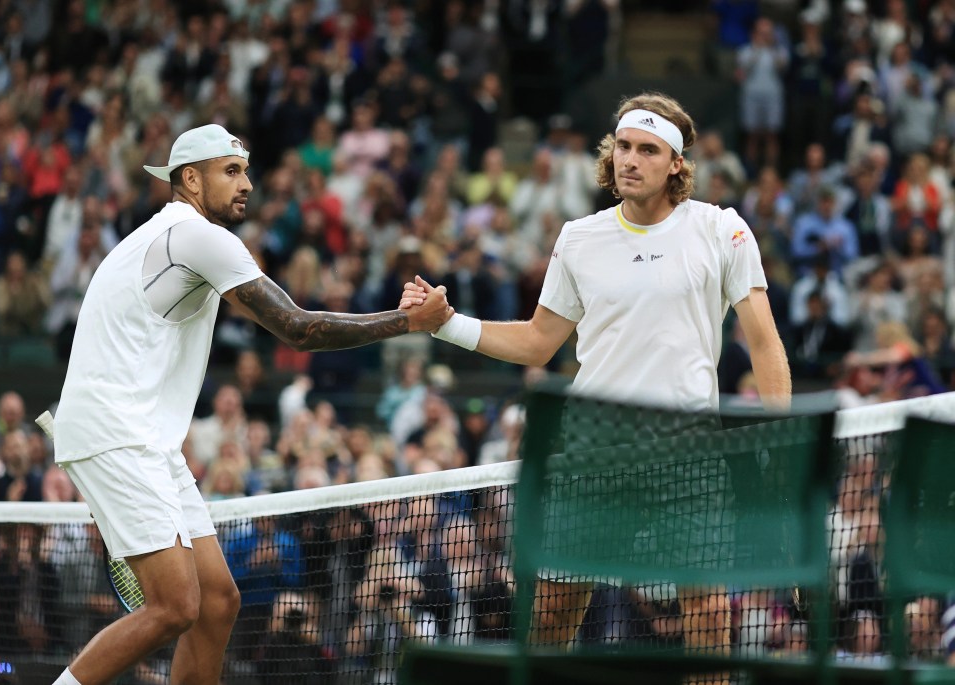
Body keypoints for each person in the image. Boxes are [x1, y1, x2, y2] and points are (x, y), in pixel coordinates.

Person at [48, 124, 452, 685]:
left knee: (216, 603)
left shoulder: (167, 237)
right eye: (231, 171)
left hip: (147, 440)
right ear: (190, 179)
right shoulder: (196, 236)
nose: (248, 184)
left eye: (246, 170)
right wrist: (408, 321)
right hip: (116, 433)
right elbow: (299, 328)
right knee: (174, 607)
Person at [403, 92, 791, 663]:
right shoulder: (579, 238)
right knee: (552, 617)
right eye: (624, 147)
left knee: (707, 614)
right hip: (591, 455)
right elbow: (539, 341)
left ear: (676, 164)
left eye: (648, 150)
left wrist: (779, 443)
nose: (630, 160)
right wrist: (448, 325)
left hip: (688, 454)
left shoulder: (721, 230)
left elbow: (764, 343)